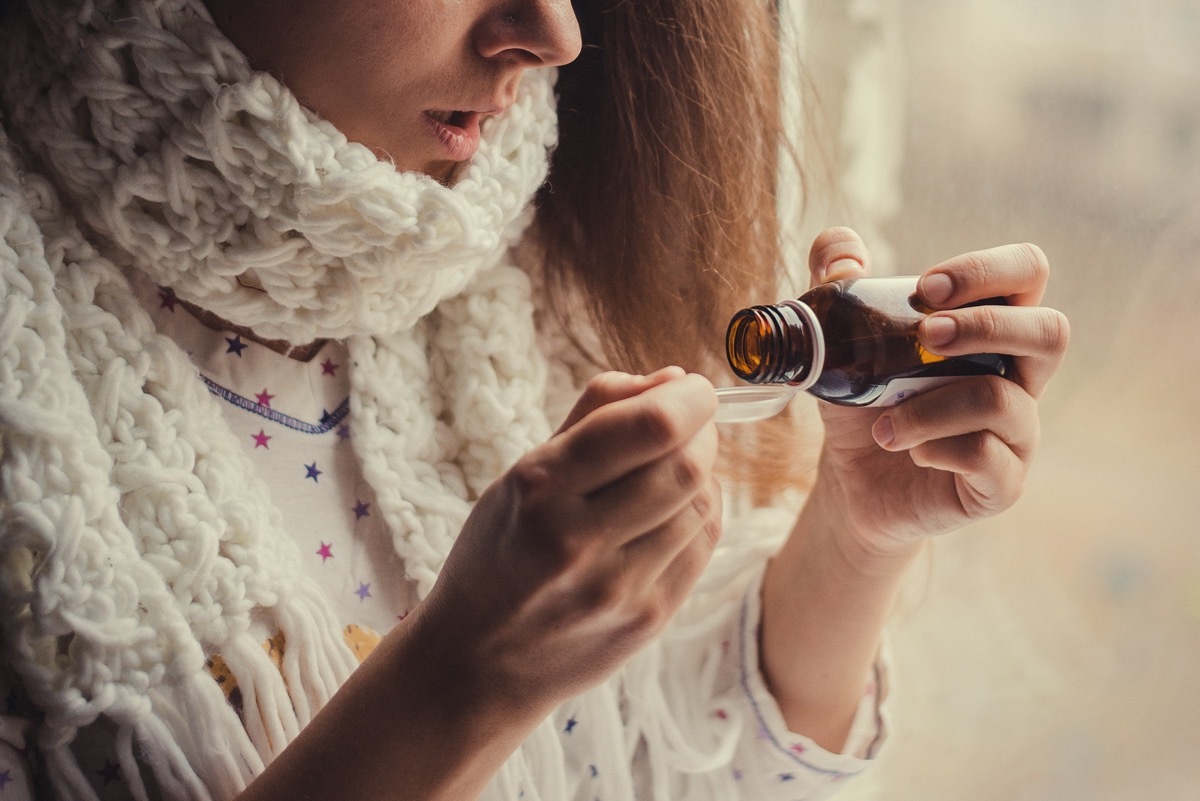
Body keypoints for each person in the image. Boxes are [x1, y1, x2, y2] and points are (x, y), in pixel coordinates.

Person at [0, 1, 1070, 799]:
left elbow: (666, 765)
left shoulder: (523, 256)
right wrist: (461, 684)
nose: (555, 30)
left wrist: (858, 536)